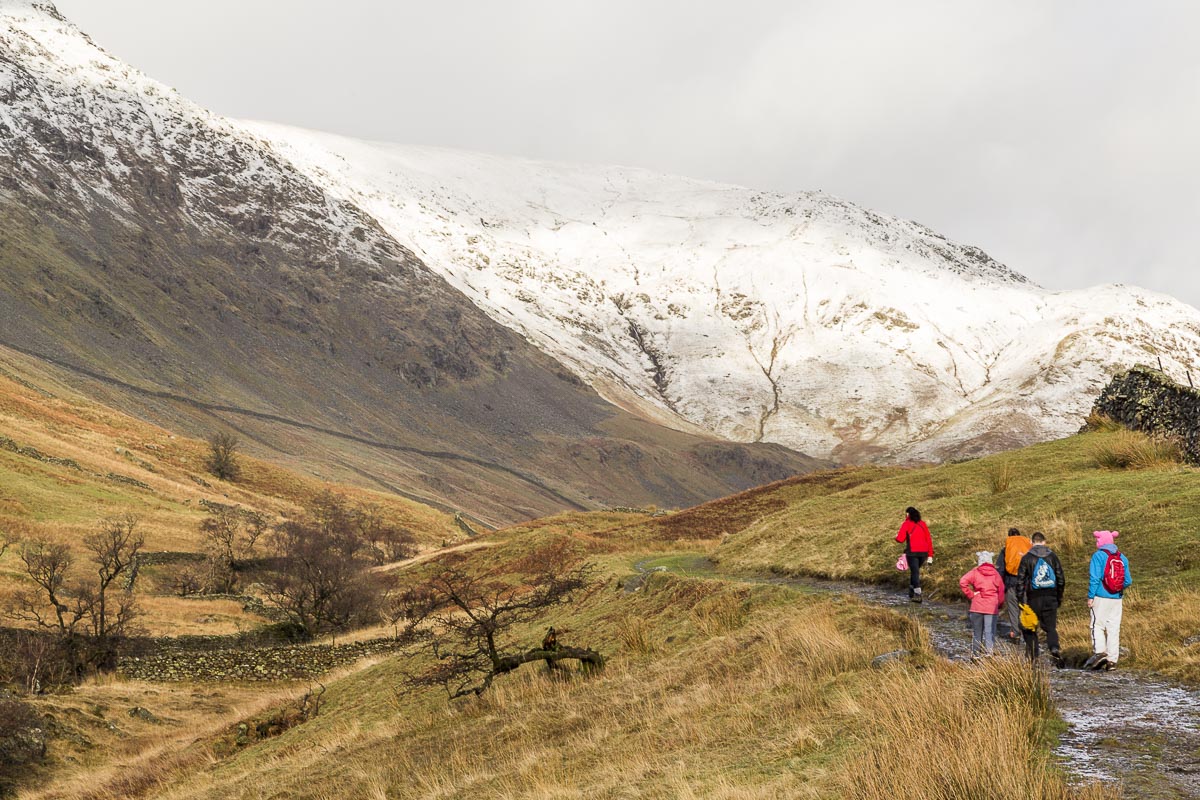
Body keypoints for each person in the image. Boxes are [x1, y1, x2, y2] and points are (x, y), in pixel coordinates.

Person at [1016, 531, 1065, 666]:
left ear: (1032, 543)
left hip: (1033, 598)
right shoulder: (1053, 556)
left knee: (1030, 627)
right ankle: (1054, 648)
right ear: (1044, 542)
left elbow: (1020, 581)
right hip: (1051, 596)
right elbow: (1060, 578)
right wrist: (1059, 596)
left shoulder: (1026, 558)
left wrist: (1020, 599)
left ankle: (1033, 656)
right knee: (1050, 627)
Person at [1086, 530, 1131, 671]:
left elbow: (1094, 578)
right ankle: (1112, 661)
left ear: (1101, 542)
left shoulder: (1098, 556)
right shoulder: (1122, 557)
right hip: (1117, 598)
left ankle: (1100, 652)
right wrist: (1117, 588)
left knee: (1097, 625)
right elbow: (1128, 580)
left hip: (1100, 596)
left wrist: (1091, 596)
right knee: (1114, 628)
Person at [959, 551, 1004, 657]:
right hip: (991, 608)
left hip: (977, 606)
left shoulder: (975, 572)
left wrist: (971, 594)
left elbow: (962, 581)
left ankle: (975, 655)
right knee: (990, 632)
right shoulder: (996, 574)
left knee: (977, 633)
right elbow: (1001, 590)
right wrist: (1000, 604)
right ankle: (989, 653)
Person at [997, 527, 1031, 642]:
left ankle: (1015, 633)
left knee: (1013, 608)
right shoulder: (1028, 548)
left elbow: (1001, 569)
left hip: (1011, 583)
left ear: (1009, 537)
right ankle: (1028, 631)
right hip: (1026, 583)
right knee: (1025, 606)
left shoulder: (1006, 549)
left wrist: (999, 585)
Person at [895, 507, 933, 602]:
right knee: (915, 571)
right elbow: (928, 539)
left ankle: (917, 594)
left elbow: (900, 539)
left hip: (912, 552)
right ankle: (911, 589)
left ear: (908, 514)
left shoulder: (906, 524)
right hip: (924, 553)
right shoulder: (922, 524)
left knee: (915, 572)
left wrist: (896, 537)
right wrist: (930, 555)